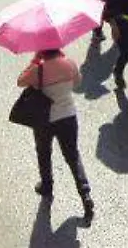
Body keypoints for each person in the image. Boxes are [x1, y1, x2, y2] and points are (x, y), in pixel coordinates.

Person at [16, 49, 94, 225]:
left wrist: (34, 62)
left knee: (43, 152)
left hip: (44, 119)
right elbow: (77, 83)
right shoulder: (69, 63)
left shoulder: (38, 69)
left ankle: (47, 185)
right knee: (73, 156)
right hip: (68, 117)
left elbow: (20, 82)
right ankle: (85, 193)